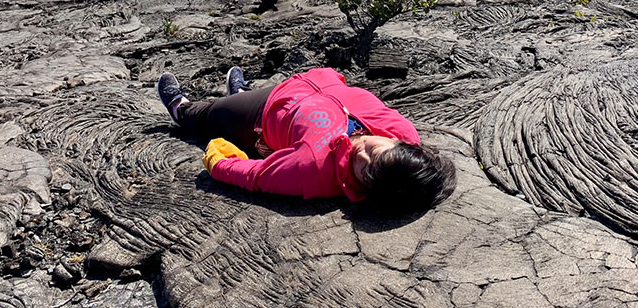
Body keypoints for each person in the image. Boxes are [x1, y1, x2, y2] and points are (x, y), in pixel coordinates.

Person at [157, 66, 456, 213]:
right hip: (300, 86)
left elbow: (258, 176)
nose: (360, 156)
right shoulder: (403, 133)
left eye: (364, 173)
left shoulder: (313, 171)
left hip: (261, 118)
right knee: (238, 101)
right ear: (399, 145)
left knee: (206, 116)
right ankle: (239, 94)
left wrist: (218, 163)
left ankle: (180, 108)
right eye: (376, 154)